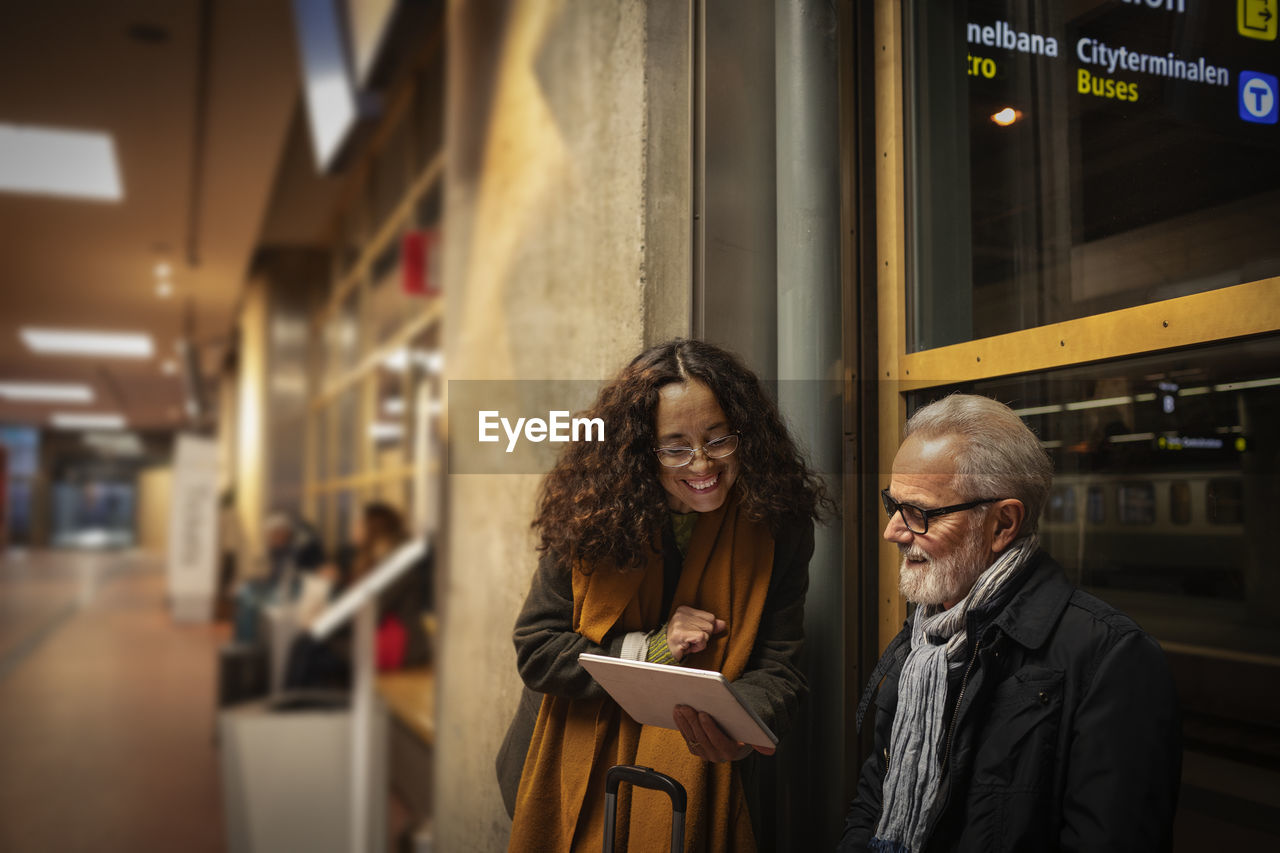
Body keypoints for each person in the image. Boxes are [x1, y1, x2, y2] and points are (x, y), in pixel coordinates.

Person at [501, 339, 832, 853]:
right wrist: (652, 650)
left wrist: (736, 719)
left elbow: (779, 666)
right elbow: (538, 648)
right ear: (640, 451)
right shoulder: (592, 513)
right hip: (566, 768)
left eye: (720, 440)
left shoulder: (779, 522)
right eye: (675, 447)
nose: (702, 465)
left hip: (702, 779)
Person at [838, 394, 1181, 852]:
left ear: (1002, 524)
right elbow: (873, 800)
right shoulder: (922, 641)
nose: (893, 532)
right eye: (893, 505)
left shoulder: (1112, 658)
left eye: (919, 513)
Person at [284, 501, 432, 688]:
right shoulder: (374, 559)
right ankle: (295, 707)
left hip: (398, 645)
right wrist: (338, 581)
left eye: (358, 523)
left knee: (308, 646)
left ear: (373, 528)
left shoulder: (396, 564)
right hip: (378, 634)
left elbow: (370, 607)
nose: (353, 528)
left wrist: (324, 625)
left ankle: (296, 707)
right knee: (307, 643)